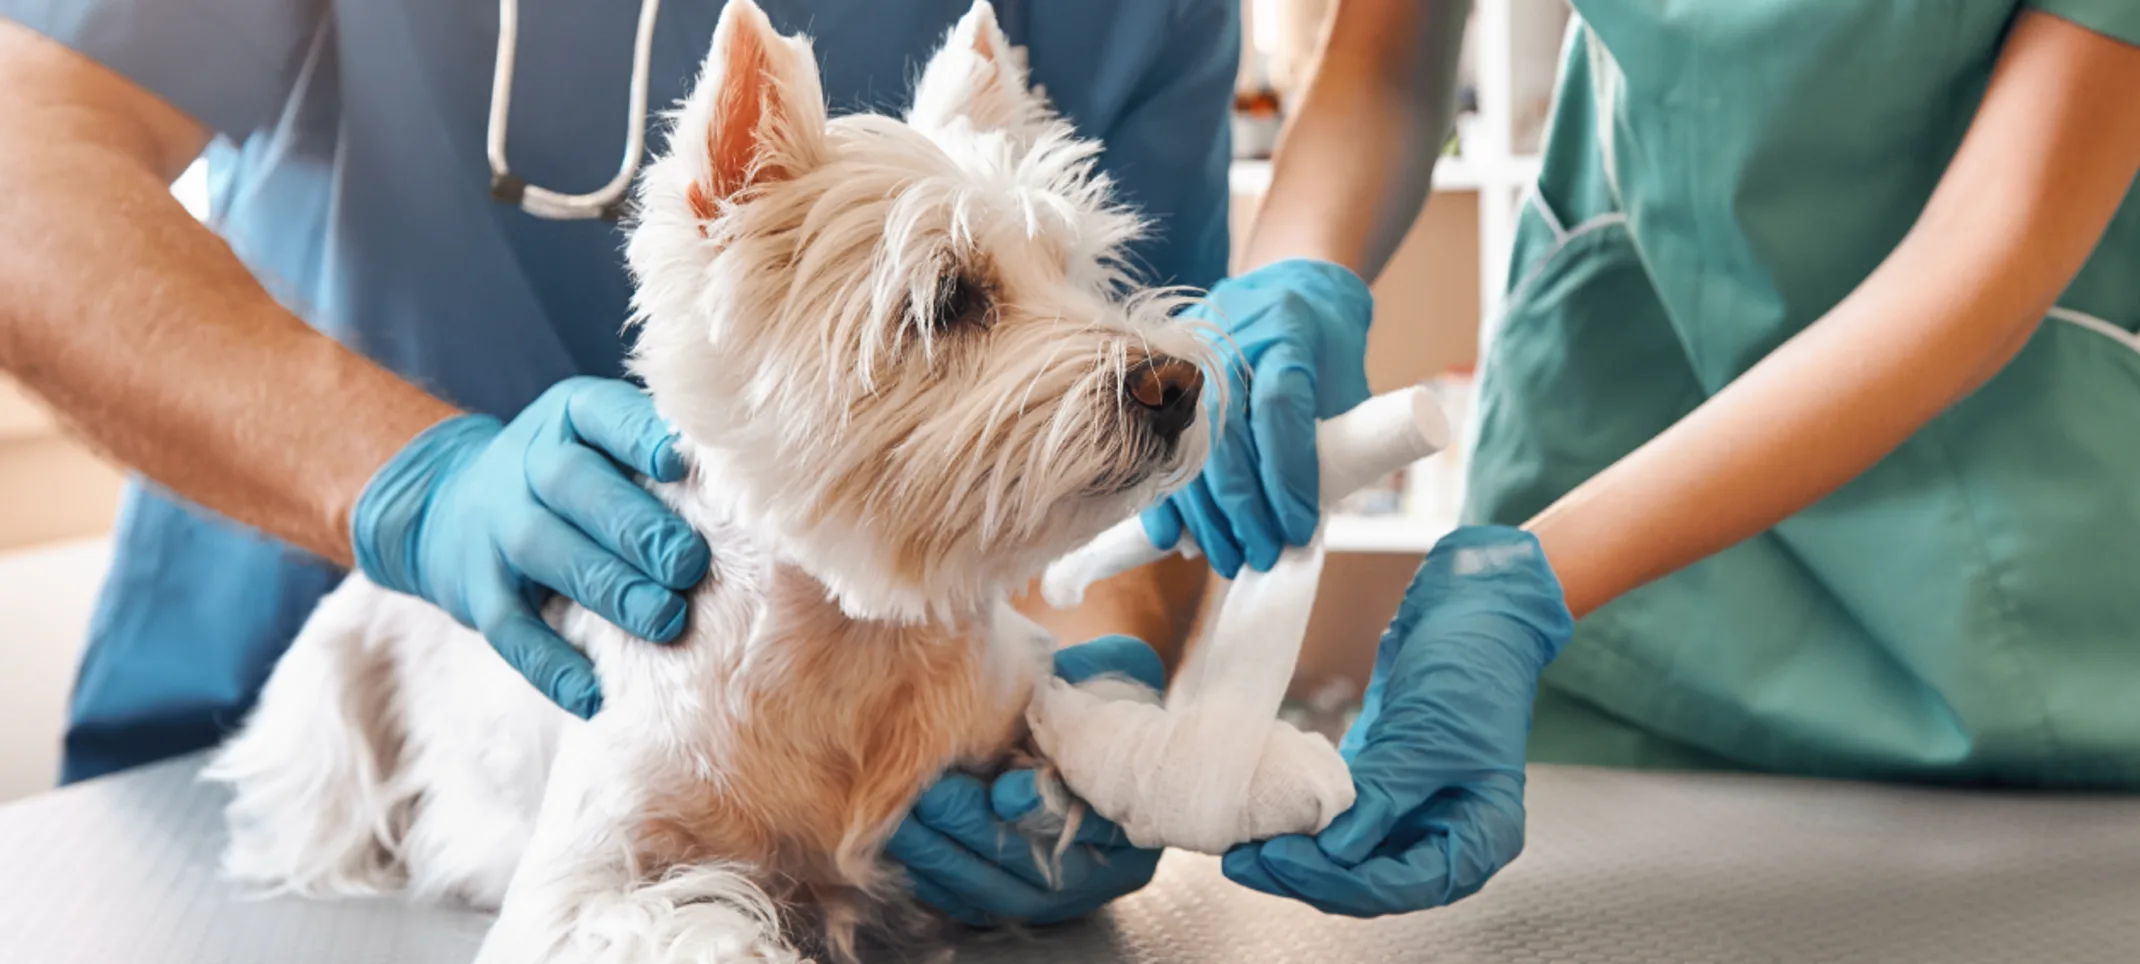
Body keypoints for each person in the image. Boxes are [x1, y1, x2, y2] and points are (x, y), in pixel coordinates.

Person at [0, 0, 1239, 925]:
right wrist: (408, 482)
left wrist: (1103, 711)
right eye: (953, 302)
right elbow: (21, 165)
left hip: (905, 699)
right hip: (275, 675)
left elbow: (1136, 443)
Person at [1150, 0, 2140, 918]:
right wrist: (1292, 276)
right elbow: (1381, 65)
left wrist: (1530, 582)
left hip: (2021, 552)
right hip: (1616, 462)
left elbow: (1994, 237)